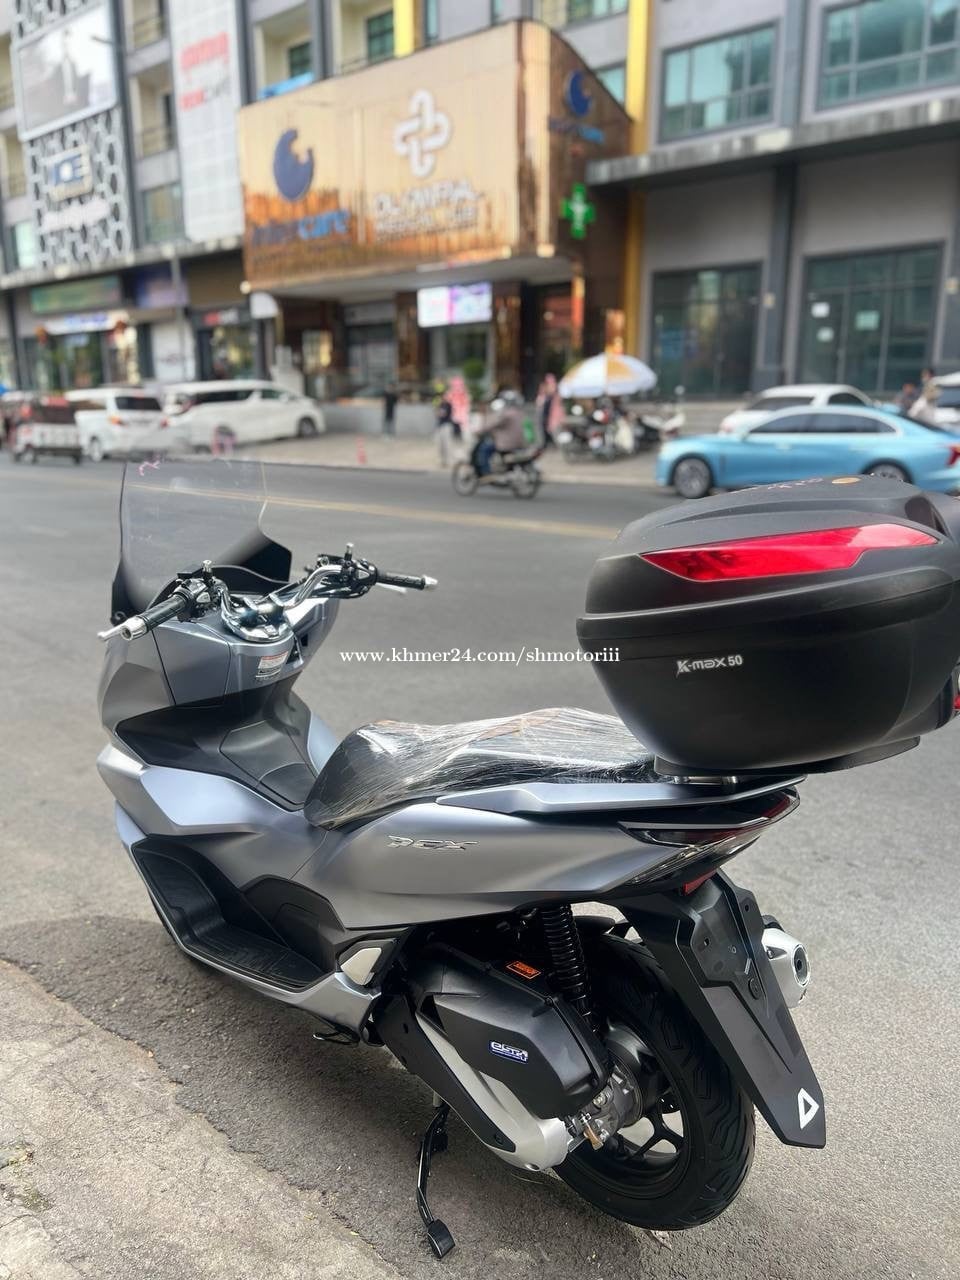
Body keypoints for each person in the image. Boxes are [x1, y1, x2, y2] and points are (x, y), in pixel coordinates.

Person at [474, 391, 526, 475]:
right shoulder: (520, 413)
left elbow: (492, 424)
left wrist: (479, 431)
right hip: (520, 443)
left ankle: (486, 473)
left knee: (484, 451)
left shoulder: (506, 414)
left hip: (506, 444)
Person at [536, 373, 565, 446]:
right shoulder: (543, 393)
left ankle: (553, 444)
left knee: (554, 430)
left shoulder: (555, 394)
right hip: (545, 414)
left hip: (554, 415)